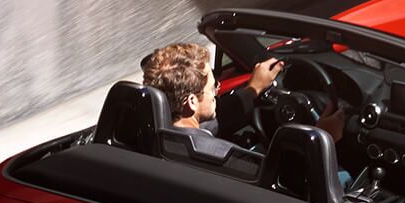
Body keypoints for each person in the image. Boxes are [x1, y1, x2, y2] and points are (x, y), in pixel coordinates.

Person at [140, 42, 346, 143]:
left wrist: (253, 90)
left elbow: (217, 119)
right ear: (192, 102)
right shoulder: (221, 155)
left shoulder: (144, 133)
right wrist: (322, 138)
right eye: (213, 87)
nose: (216, 93)